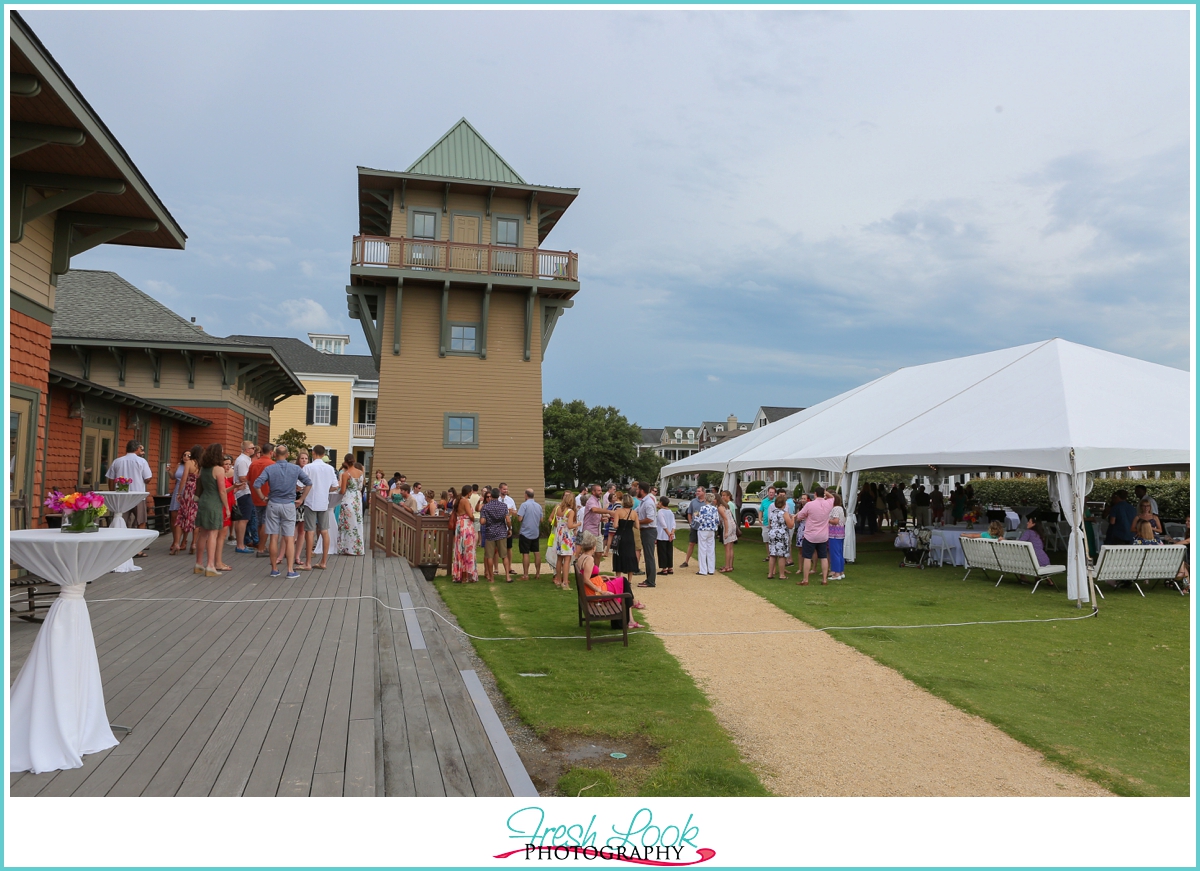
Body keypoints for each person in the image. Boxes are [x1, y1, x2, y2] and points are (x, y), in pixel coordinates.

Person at [253, 445, 311, 579]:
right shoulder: (295, 468)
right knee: (289, 537)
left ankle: (274, 569)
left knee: (273, 536)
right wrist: (301, 499)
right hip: (289, 504)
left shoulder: (269, 468)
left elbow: (256, 484)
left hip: (273, 503)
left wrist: (262, 497)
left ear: (274, 455)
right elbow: (308, 483)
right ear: (287, 454)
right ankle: (290, 570)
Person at [574, 532, 641, 630]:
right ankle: (628, 618)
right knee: (624, 582)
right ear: (593, 547)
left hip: (591, 590)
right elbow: (586, 579)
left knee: (621, 581)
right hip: (594, 593)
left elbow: (588, 575)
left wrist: (601, 577)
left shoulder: (582, 557)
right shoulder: (589, 559)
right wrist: (601, 591)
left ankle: (630, 618)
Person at [105, 439, 154, 552]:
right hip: (138, 496)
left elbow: (111, 479)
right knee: (141, 521)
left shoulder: (117, 461)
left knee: (122, 520)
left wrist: (113, 492)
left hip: (121, 496)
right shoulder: (141, 461)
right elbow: (147, 478)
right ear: (137, 449)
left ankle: (121, 547)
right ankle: (138, 549)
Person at [297, 445, 340, 568]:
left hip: (310, 501)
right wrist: (325, 489)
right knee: (324, 531)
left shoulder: (308, 467)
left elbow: (299, 485)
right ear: (324, 454)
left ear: (313, 453)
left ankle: (308, 563)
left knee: (309, 532)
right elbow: (335, 486)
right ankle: (324, 562)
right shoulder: (330, 468)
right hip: (324, 502)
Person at [193, 443, 230, 577]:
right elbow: (222, 490)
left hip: (203, 501)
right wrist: (226, 507)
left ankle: (198, 564)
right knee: (213, 534)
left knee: (203, 533)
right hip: (214, 503)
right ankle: (210, 565)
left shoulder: (203, 469)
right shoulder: (218, 469)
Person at [796, 485, 834, 586]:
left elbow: (800, 516)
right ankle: (825, 579)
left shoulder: (809, 505)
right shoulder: (829, 503)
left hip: (810, 535)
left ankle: (805, 579)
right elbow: (833, 498)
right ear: (824, 494)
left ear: (815, 494)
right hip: (823, 535)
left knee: (807, 557)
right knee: (823, 557)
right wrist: (826, 493)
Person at [479, 487, 511, 583]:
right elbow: (508, 520)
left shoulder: (486, 507)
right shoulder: (504, 506)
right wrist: (509, 528)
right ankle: (507, 576)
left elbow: (482, 521)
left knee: (489, 556)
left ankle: (491, 578)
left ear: (491, 496)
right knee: (504, 555)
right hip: (501, 532)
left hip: (490, 533)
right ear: (498, 495)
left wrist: (487, 520)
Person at [249, 444, 275, 558]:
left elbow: (249, 480)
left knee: (259, 522)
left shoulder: (253, 464)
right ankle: (261, 548)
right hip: (268, 496)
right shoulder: (272, 465)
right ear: (271, 452)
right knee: (266, 522)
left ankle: (261, 544)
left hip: (255, 496)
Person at [176, 445, 203, 556]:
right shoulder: (202, 464)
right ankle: (193, 544)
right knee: (195, 518)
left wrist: (179, 492)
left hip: (189, 490)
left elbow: (183, 478)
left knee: (182, 515)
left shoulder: (189, 463)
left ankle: (177, 544)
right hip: (198, 491)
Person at [549, 491, 579, 590]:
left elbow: (555, 522)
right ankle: (565, 582)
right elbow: (570, 525)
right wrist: (578, 524)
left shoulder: (557, 508)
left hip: (559, 535)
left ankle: (558, 579)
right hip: (566, 537)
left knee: (559, 559)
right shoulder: (570, 511)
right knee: (567, 559)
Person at [336, 455, 365, 556]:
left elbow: (343, 490)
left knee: (347, 523)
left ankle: (347, 548)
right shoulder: (361, 473)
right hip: (357, 498)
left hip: (348, 498)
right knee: (357, 523)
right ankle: (357, 548)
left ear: (345, 462)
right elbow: (361, 487)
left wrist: (337, 492)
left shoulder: (345, 474)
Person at [610, 493, 643, 581]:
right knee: (630, 555)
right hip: (629, 536)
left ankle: (618, 578)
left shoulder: (618, 511)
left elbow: (615, 525)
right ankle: (629, 580)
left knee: (619, 555)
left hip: (620, 535)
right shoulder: (634, 513)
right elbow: (637, 526)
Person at [232, 441, 257, 553]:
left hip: (245, 491)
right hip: (244, 492)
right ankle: (240, 545)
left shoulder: (245, 459)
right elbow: (243, 477)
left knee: (243, 519)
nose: (254, 449)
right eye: (253, 448)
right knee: (243, 519)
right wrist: (254, 481)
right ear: (247, 449)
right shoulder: (242, 460)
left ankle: (240, 543)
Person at [452, 482, 478, 583]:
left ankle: (460, 575)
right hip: (466, 526)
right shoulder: (465, 501)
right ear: (469, 492)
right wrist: (473, 518)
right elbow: (470, 514)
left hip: (459, 526)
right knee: (468, 551)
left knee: (460, 551)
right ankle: (466, 576)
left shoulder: (457, 500)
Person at [517, 489, 544, 581]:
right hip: (535, 532)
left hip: (525, 532)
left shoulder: (524, 505)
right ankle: (538, 573)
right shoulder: (538, 506)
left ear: (526, 495)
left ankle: (525, 575)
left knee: (525, 553)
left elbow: (520, 519)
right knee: (536, 552)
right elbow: (541, 520)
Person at [766, 493, 795, 580]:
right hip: (781, 534)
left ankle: (770, 573)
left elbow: (770, 523)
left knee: (773, 554)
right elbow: (790, 525)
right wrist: (792, 518)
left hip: (772, 533)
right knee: (781, 555)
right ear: (784, 504)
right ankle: (782, 575)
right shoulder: (784, 513)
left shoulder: (772, 513)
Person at [635, 482, 659, 588]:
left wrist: (637, 522)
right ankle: (649, 579)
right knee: (647, 555)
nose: (636, 491)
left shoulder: (648, 502)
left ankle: (651, 581)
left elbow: (650, 518)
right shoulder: (643, 502)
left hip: (649, 530)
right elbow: (634, 512)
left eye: (637, 489)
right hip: (645, 530)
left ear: (642, 490)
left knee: (649, 556)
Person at [168, 448, 191, 555]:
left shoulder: (192, 466)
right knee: (174, 516)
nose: (186, 457)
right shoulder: (179, 465)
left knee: (185, 516)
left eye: (188, 455)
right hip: (177, 490)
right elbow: (173, 477)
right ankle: (175, 540)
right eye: (184, 455)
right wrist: (169, 472)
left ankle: (184, 540)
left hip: (187, 491)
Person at [679, 486, 705, 569]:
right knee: (691, 543)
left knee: (703, 545)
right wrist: (690, 523)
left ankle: (703, 562)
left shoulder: (707, 502)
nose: (697, 492)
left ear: (703, 492)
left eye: (699, 491)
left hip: (704, 527)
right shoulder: (693, 501)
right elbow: (689, 513)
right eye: (697, 491)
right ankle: (686, 561)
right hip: (695, 526)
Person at [694, 492, 720, 576]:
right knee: (711, 549)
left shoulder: (703, 508)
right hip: (711, 530)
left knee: (702, 549)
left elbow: (700, 520)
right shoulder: (714, 509)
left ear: (705, 499)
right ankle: (711, 569)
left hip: (703, 530)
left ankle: (703, 570)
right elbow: (717, 521)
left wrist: (696, 516)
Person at [499, 483, 519, 576]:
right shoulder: (496, 499)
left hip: (507, 526)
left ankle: (509, 567)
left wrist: (512, 512)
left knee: (509, 548)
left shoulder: (510, 500)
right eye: (504, 489)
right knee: (496, 549)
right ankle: (496, 568)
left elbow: (515, 512)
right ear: (500, 489)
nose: (505, 491)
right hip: (498, 527)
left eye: (506, 489)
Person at [717, 490, 738, 573]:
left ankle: (727, 566)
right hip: (732, 525)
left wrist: (725, 531)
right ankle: (729, 565)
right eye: (722, 495)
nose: (723, 497)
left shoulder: (727, 505)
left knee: (727, 547)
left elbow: (726, 518)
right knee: (730, 547)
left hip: (728, 525)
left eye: (724, 495)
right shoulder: (728, 505)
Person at [656, 495, 676, 576]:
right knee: (669, 550)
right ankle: (670, 567)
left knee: (662, 551)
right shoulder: (670, 512)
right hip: (670, 534)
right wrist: (672, 533)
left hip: (662, 534)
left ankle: (664, 568)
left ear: (661, 503)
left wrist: (668, 533)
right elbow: (674, 523)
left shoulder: (660, 512)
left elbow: (663, 523)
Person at [828, 492, 846, 581]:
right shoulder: (840, 508)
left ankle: (836, 573)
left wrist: (827, 520)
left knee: (835, 553)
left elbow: (835, 521)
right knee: (839, 553)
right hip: (840, 533)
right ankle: (841, 571)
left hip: (834, 533)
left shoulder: (835, 509)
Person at [759, 486, 777, 562]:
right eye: (770, 492)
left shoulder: (776, 501)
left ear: (775, 493)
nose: (771, 494)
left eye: (773, 492)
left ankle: (775, 555)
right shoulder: (764, 501)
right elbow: (761, 510)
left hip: (774, 525)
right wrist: (760, 519)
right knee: (766, 540)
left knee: (774, 540)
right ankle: (769, 555)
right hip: (765, 524)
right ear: (768, 493)